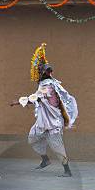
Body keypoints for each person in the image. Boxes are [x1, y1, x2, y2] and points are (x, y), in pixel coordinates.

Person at [10, 43, 78, 177]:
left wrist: (17, 102)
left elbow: (35, 97)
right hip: (42, 122)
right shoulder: (46, 84)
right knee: (32, 138)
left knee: (58, 148)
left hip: (52, 124)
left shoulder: (48, 86)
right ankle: (45, 160)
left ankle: (67, 171)